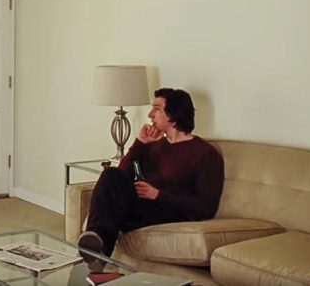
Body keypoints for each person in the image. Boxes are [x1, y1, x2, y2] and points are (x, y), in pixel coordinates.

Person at [77, 88, 224, 271]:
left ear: (173, 115)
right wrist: (140, 142)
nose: (150, 115)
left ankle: (94, 259)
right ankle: (95, 252)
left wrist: (159, 195)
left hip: (170, 211)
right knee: (110, 174)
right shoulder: (155, 145)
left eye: (156, 108)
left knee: (109, 209)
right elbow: (121, 175)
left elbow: (207, 207)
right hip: (141, 205)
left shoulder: (205, 154)